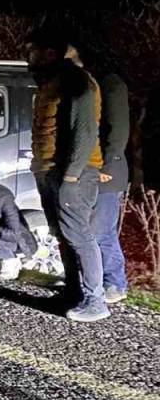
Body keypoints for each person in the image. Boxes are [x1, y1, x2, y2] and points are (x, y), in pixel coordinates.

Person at [25, 28, 108, 322]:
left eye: (32, 50)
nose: (28, 56)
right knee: (63, 235)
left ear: (50, 53)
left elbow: (83, 132)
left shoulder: (76, 81)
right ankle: (74, 293)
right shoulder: (52, 81)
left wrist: (71, 177)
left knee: (78, 234)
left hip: (73, 174)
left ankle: (95, 299)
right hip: (50, 171)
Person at [70, 47, 130, 304]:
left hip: (106, 172)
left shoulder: (110, 83)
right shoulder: (89, 84)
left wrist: (109, 163)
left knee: (102, 229)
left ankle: (114, 282)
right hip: (91, 168)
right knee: (90, 228)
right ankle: (95, 280)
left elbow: (118, 127)